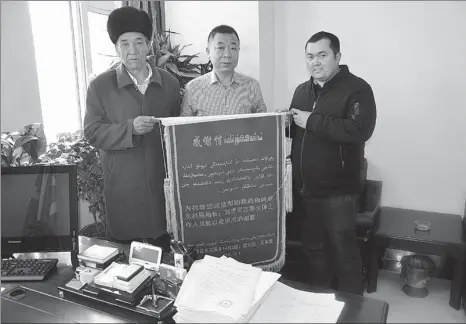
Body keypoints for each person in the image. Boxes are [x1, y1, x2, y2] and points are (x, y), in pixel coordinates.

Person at [83, 6, 181, 251]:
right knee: (127, 268)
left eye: (139, 42)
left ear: (149, 45)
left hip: (162, 190)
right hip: (123, 191)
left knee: (166, 262)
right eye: (124, 43)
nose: (132, 51)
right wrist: (130, 129)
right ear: (116, 48)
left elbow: (177, 130)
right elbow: (92, 131)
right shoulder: (100, 86)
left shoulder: (169, 83)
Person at [287, 31, 377, 294]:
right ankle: (319, 306)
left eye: (322, 55)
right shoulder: (302, 91)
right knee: (314, 251)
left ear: (337, 56)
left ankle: (352, 310)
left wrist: (312, 120)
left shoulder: (357, 89)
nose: (315, 62)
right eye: (310, 56)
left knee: (344, 254)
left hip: (339, 193)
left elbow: (360, 129)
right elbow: (296, 130)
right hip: (306, 190)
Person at [181, 25, 267, 116]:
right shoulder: (193, 88)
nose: (227, 54)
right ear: (208, 52)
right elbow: (183, 127)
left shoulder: (252, 86)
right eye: (220, 48)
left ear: (238, 51)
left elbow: (265, 123)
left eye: (233, 48)